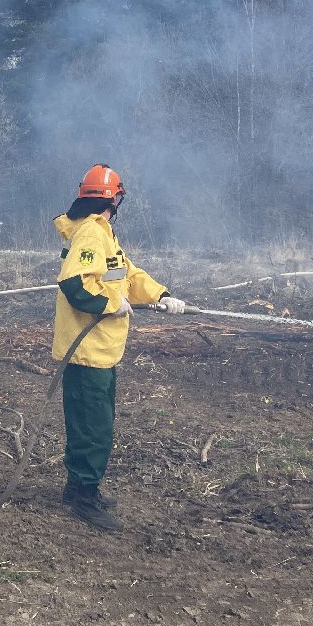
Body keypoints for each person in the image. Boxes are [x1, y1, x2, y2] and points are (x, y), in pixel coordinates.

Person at [53, 164, 188, 532]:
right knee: (94, 428)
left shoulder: (105, 235)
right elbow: (75, 285)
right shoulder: (91, 236)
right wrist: (111, 304)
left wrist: (161, 294)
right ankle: (84, 496)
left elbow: (128, 274)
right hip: (87, 353)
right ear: (114, 199)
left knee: (92, 424)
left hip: (102, 351)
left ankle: (77, 487)